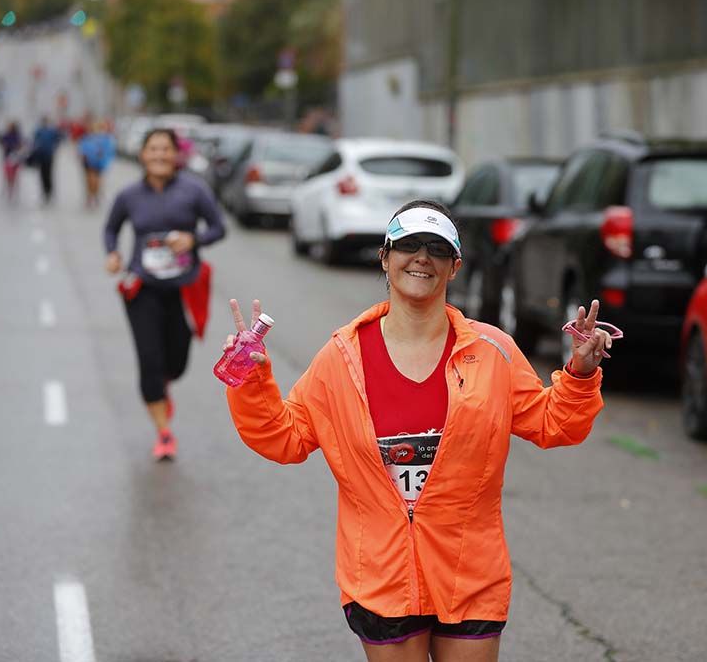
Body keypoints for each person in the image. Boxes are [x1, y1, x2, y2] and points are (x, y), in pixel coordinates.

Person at [225, 200, 613, 662]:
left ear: (454, 267)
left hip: (469, 571)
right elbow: (284, 437)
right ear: (385, 258)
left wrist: (580, 374)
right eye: (409, 245)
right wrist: (250, 379)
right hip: (382, 576)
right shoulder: (343, 356)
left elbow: (553, 424)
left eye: (437, 248)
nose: (422, 258)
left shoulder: (493, 351)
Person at [103, 128, 226, 460]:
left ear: (176, 154)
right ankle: (164, 432)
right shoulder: (129, 195)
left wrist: (193, 240)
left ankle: (163, 383)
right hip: (142, 289)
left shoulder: (194, 190)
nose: (159, 155)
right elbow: (111, 228)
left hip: (182, 289)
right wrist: (112, 253)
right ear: (143, 154)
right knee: (149, 362)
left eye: (165, 149)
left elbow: (219, 227)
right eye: (153, 149)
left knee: (177, 361)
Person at [79, 120, 116, 208]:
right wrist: (83, 156)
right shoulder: (87, 137)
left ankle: (95, 195)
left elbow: (110, 151)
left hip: (99, 163)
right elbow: (82, 148)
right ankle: (89, 196)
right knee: (89, 180)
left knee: (97, 181)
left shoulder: (106, 139)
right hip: (88, 162)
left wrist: (105, 158)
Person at [30, 117, 63, 204]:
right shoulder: (39, 131)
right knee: (42, 174)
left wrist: (54, 147)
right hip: (41, 155)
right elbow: (34, 141)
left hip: (49, 155)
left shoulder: (52, 131)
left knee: (48, 174)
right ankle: (44, 192)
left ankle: (49, 192)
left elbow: (58, 138)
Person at [0, 121, 24, 202]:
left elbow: (20, 145)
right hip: (8, 158)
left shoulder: (17, 136)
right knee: (8, 176)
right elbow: (3, 143)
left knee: (14, 176)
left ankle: (13, 191)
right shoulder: (6, 135)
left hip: (15, 158)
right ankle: (9, 191)